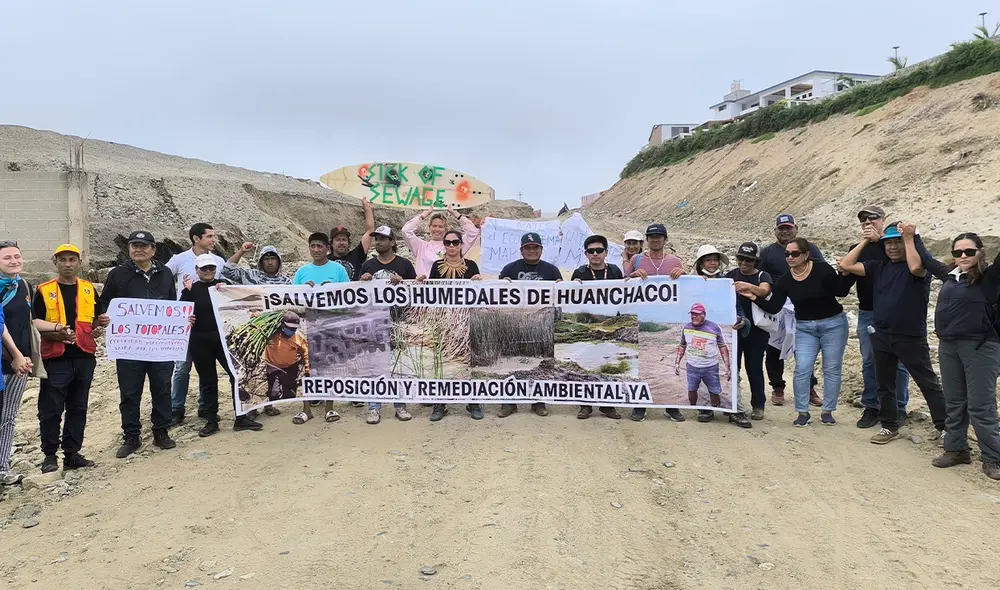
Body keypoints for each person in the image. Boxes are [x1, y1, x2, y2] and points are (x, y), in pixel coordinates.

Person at [839, 223, 947, 445]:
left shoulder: (917, 268)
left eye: (897, 241)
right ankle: (889, 426)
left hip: (910, 336)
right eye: (889, 243)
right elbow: (846, 264)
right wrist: (869, 240)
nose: (893, 247)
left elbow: (916, 267)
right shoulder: (879, 267)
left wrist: (909, 238)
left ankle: (945, 427)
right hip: (881, 334)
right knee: (884, 383)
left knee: (927, 382)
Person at [919, 233, 1000, 479]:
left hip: (981, 346)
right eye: (957, 252)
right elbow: (926, 260)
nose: (963, 256)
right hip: (949, 346)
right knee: (954, 401)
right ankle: (956, 450)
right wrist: (913, 236)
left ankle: (993, 458)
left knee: (981, 405)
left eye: (969, 251)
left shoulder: (990, 278)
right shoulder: (949, 275)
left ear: (981, 252)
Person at [749, 237, 848, 427]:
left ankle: (828, 411)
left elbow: (841, 291)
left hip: (833, 324)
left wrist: (844, 272)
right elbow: (773, 307)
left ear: (806, 255)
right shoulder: (786, 280)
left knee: (832, 369)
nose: (789, 257)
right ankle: (802, 412)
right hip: (804, 327)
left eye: (794, 254)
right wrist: (753, 297)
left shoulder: (822, 269)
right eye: (787, 254)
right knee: (802, 369)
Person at [99, 231, 180, 458]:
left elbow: (171, 305)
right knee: (130, 392)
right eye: (134, 245)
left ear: (153, 250)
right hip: (129, 346)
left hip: (160, 345)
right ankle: (131, 436)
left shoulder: (164, 273)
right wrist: (104, 315)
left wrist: (183, 319)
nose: (138, 249)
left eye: (144, 246)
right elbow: (105, 301)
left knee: (162, 388)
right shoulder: (118, 274)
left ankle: (161, 431)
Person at [31, 244, 108, 473]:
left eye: (72, 260)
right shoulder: (43, 290)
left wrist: (99, 326)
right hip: (56, 357)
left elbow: (94, 321)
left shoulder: (88, 289)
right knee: (51, 408)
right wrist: (57, 333)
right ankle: (49, 455)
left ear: (79, 262)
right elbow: (34, 324)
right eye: (63, 260)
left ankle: (72, 453)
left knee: (78, 407)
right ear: (55, 262)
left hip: (84, 355)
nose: (67, 264)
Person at [836, 206, 911, 429]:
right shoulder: (857, 249)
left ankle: (898, 406)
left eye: (873, 219)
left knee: (898, 363)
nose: (868, 223)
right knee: (870, 362)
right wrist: (860, 248)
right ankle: (872, 406)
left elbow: (901, 265)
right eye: (863, 221)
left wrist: (880, 241)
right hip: (868, 312)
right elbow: (842, 286)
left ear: (883, 219)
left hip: (897, 313)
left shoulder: (895, 245)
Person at [181, 254, 262, 436]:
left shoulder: (223, 285)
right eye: (204, 268)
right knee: (208, 380)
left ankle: (241, 416)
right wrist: (186, 306)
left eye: (211, 268)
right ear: (197, 271)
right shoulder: (189, 289)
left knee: (236, 375)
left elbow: (241, 301)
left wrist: (227, 289)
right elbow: (180, 313)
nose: (208, 271)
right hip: (200, 340)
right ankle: (211, 420)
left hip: (225, 338)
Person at [416, 229, 484, 422]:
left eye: (455, 242)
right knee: (443, 359)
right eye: (448, 243)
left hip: (466, 320)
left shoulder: (471, 265)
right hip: (443, 319)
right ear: (444, 245)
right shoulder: (437, 266)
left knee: (469, 360)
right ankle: (440, 403)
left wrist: (478, 281)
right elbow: (431, 294)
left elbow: (479, 295)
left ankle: (473, 401)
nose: (452, 246)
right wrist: (421, 282)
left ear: (461, 244)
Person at [757, 214, 824, 407]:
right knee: (773, 348)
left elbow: (821, 271)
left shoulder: (809, 249)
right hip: (776, 307)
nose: (785, 231)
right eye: (781, 228)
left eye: (789, 228)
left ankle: (809, 389)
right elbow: (760, 276)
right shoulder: (767, 252)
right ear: (775, 230)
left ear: (796, 228)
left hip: (803, 306)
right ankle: (777, 388)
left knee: (804, 348)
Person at [625, 224, 686, 423]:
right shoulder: (637, 259)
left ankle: (671, 405)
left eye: (659, 236)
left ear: (665, 239)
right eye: (651, 237)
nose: (655, 240)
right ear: (647, 240)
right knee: (642, 364)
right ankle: (639, 404)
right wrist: (632, 276)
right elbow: (621, 283)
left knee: (669, 363)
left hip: (669, 322)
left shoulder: (675, 261)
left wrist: (683, 276)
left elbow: (687, 288)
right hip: (641, 320)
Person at [166, 223, 225, 427]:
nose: (213, 240)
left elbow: (231, 285)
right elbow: (163, 279)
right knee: (182, 369)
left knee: (207, 373)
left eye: (211, 268)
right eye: (209, 236)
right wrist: (169, 311)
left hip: (216, 333)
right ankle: (176, 409)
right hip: (187, 328)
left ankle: (205, 408)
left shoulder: (218, 260)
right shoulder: (179, 260)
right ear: (195, 238)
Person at [498, 232, 562, 418]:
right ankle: (509, 402)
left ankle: (538, 401)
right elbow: (497, 295)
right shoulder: (510, 269)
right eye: (528, 248)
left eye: (535, 247)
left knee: (539, 363)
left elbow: (561, 298)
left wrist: (561, 286)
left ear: (541, 250)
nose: (532, 251)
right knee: (510, 362)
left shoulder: (551, 271)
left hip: (541, 324)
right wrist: (502, 283)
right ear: (521, 250)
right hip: (514, 324)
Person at [690, 245, 752, 428]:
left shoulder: (727, 284)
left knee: (731, 372)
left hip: (723, 334)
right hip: (700, 335)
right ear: (701, 263)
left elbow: (737, 309)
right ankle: (706, 408)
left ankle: (736, 410)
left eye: (715, 259)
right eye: (708, 260)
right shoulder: (691, 283)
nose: (712, 263)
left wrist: (742, 321)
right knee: (702, 369)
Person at [360, 226, 415, 424]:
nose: (378, 242)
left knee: (398, 365)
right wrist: (363, 281)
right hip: (373, 323)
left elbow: (415, 295)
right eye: (376, 239)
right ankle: (374, 407)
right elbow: (357, 297)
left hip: (398, 323)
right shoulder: (367, 266)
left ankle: (400, 405)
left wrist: (403, 284)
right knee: (374, 367)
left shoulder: (405, 264)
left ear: (392, 242)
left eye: (383, 239)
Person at [570, 234, 623, 420]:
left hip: (610, 326)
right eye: (591, 251)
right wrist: (572, 286)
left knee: (607, 364)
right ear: (586, 254)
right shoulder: (580, 273)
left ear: (606, 252)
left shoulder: (615, 271)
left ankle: (608, 405)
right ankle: (585, 405)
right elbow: (571, 300)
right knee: (586, 365)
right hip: (588, 327)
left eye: (599, 250)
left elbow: (627, 295)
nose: (595, 254)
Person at [0, 241, 34, 485]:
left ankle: (3, 466)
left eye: (17, 256)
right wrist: (13, 356)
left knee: (9, 416)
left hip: (20, 362)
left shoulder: (23, 285)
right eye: (7, 258)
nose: (13, 261)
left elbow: (29, 322)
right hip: (8, 360)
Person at [727, 242, 772, 421]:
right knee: (733, 368)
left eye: (749, 260)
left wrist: (746, 286)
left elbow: (764, 290)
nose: (745, 263)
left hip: (757, 331)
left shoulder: (763, 275)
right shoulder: (730, 275)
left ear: (756, 261)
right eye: (741, 259)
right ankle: (732, 403)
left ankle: (758, 405)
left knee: (754, 369)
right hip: (735, 330)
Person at [675, 302, 739, 426]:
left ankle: (716, 409)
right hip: (692, 367)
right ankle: (694, 408)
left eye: (697, 315)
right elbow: (682, 345)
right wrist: (677, 363)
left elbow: (722, 347)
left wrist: (727, 367)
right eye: (692, 314)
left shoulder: (714, 327)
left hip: (710, 367)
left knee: (714, 391)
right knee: (692, 390)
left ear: (704, 315)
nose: (694, 317)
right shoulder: (686, 328)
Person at [402, 206, 481, 278]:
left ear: (446, 229)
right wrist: (423, 215)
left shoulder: (454, 245)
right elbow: (406, 231)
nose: (437, 229)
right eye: (434, 226)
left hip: (446, 290)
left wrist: (455, 213)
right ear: (429, 228)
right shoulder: (420, 246)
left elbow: (473, 232)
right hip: (425, 290)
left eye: (440, 226)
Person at [328, 199, 375, 280]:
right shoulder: (325, 261)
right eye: (338, 240)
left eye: (344, 239)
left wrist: (367, 208)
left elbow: (370, 231)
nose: (341, 242)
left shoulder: (357, 255)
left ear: (348, 243)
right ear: (331, 243)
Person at [224, 243, 291, 286]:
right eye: (266, 259)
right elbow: (227, 271)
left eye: (273, 258)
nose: (270, 262)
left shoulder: (287, 282)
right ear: (261, 262)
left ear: (279, 261)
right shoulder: (249, 276)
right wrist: (241, 251)